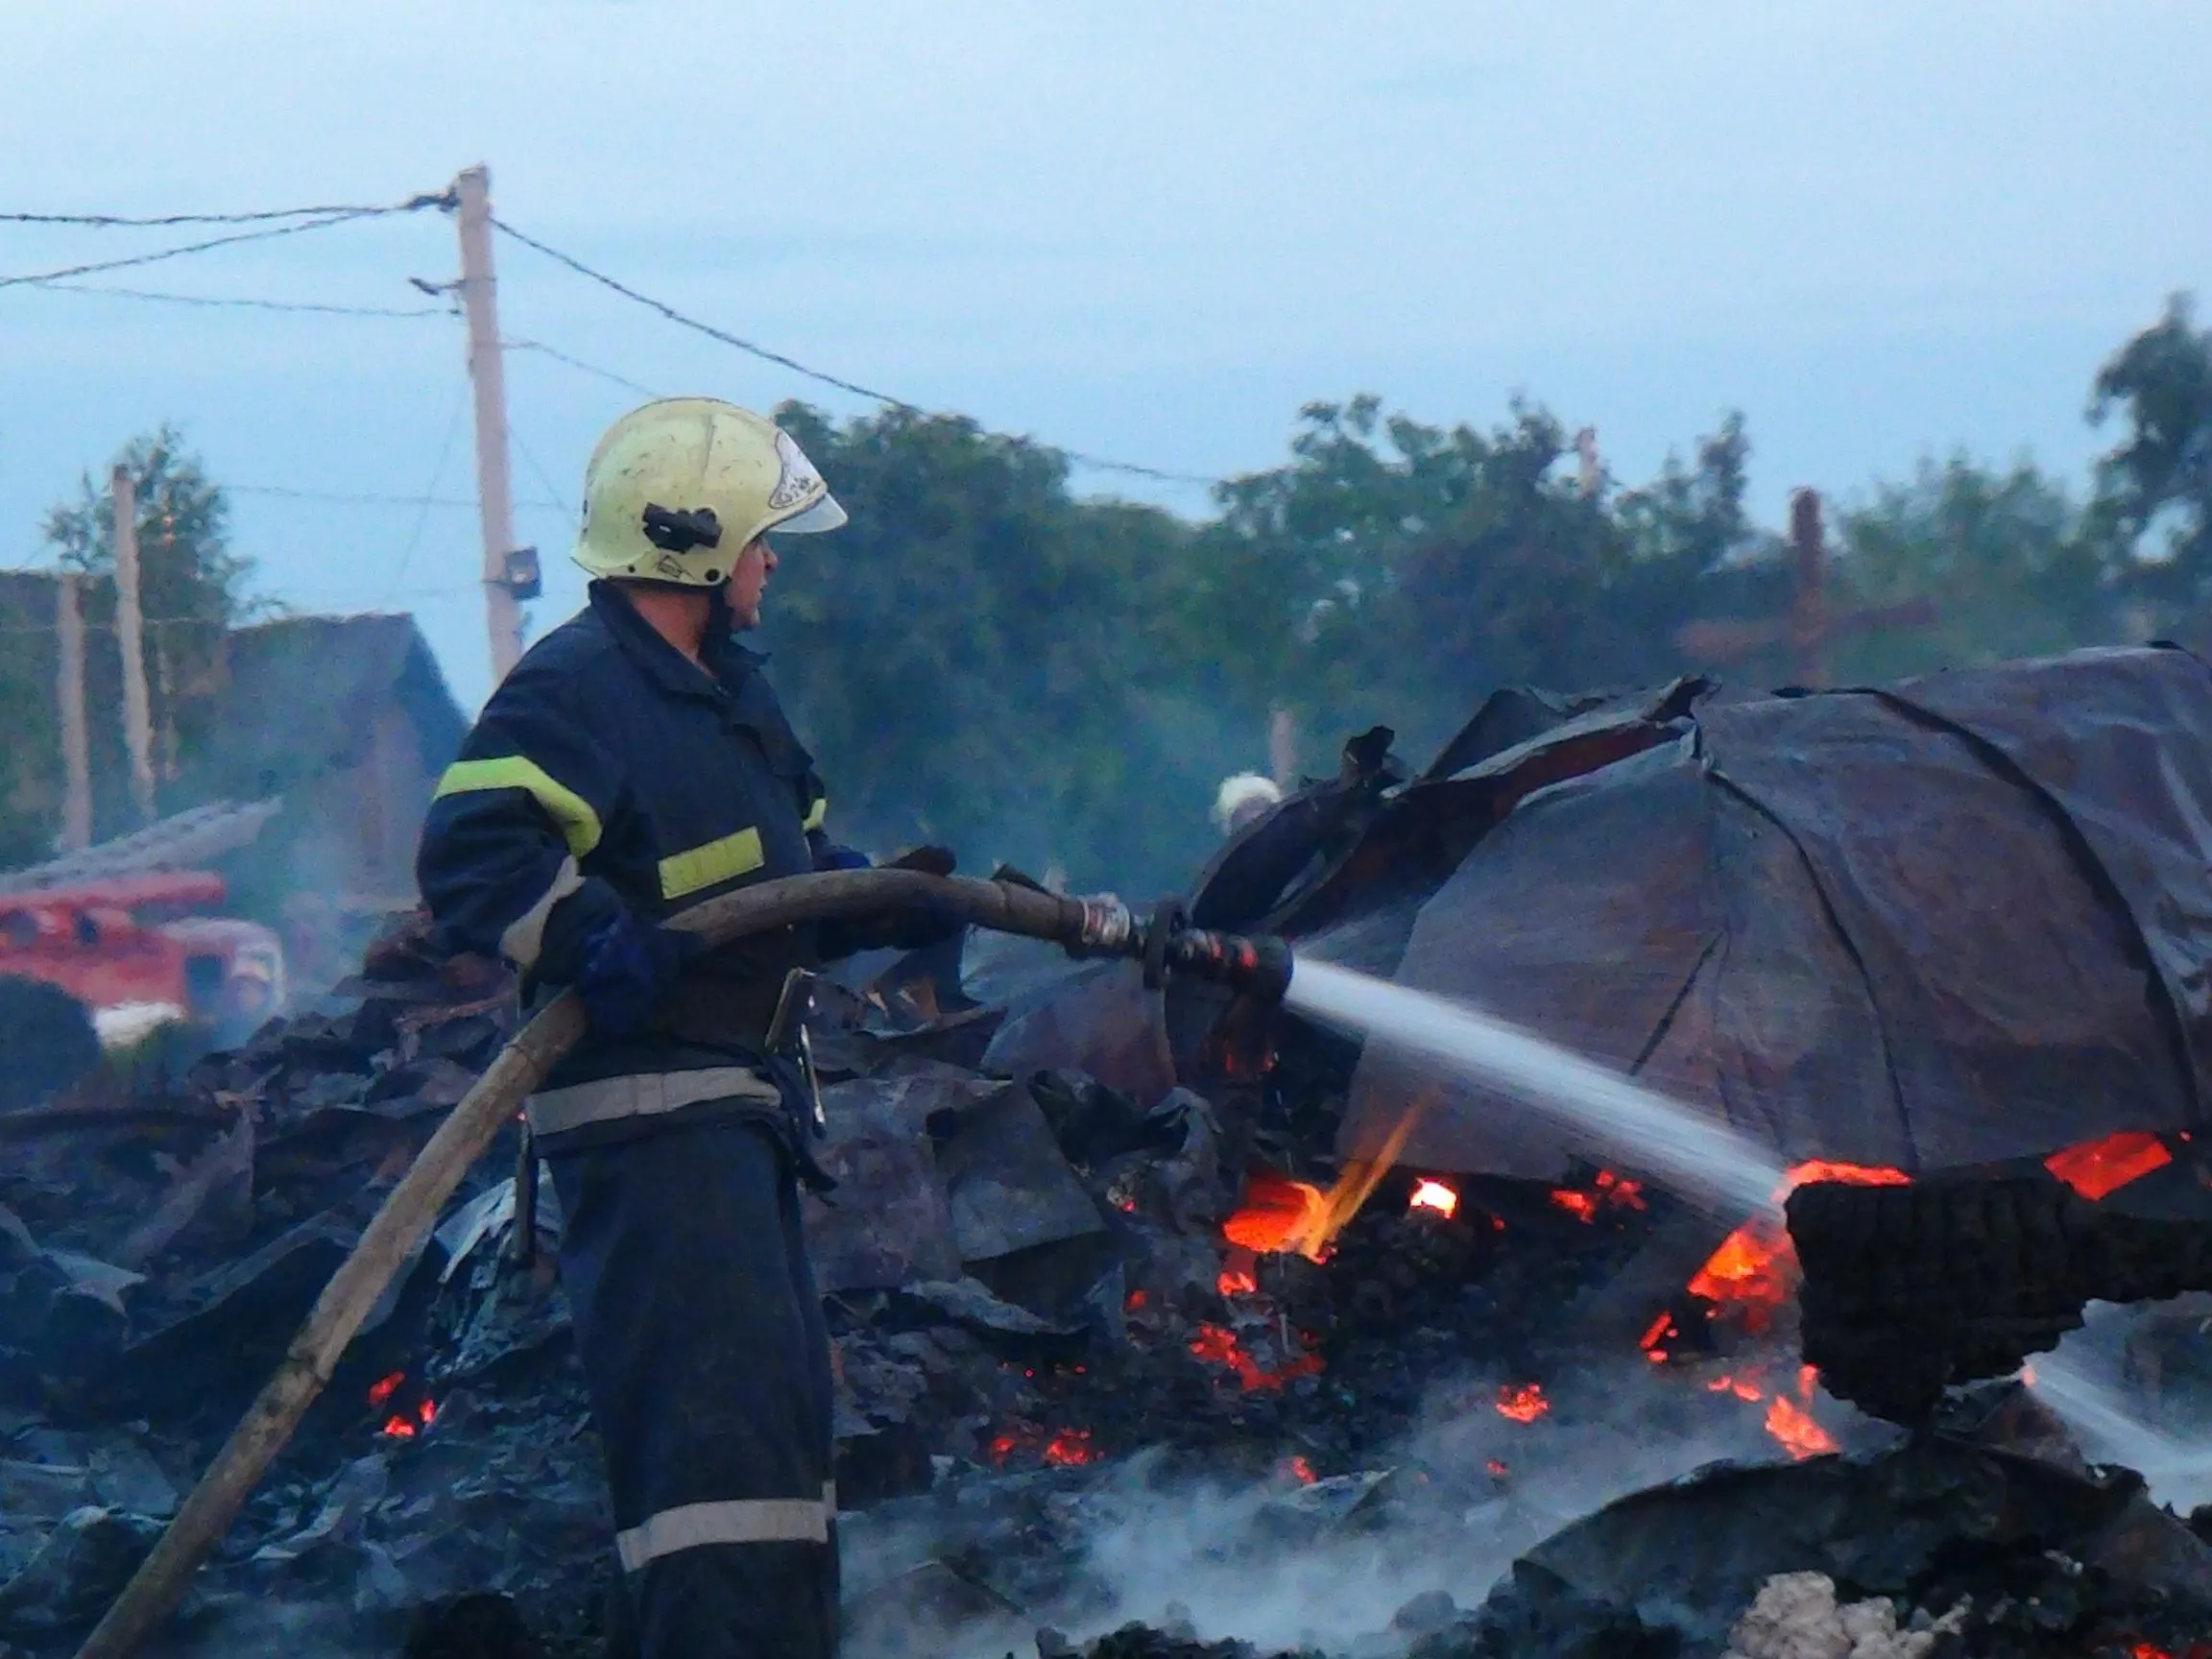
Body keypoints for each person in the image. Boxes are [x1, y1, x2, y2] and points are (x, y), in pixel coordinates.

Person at [418, 397, 920, 1657]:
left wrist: (844, 895)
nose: (774, 559)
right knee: (716, 1482)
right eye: (762, 534)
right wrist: (583, 934)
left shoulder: (723, 698)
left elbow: (766, 865)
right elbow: (472, 849)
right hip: (649, 1132)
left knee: (777, 1452)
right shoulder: (579, 689)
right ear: (691, 542)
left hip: (731, 1117)